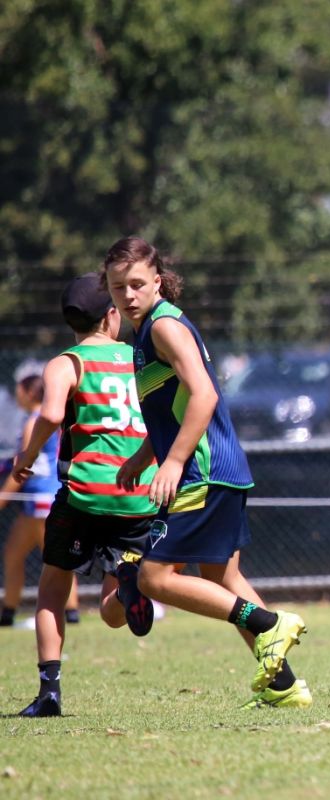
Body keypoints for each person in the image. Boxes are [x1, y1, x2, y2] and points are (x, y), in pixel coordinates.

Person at [103, 237, 311, 709]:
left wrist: (173, 461)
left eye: (137, 283)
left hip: (202, 470)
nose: (128, 294)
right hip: (217, 468)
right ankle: (285, 686)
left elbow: (204, 396)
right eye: (118, 287)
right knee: (222, 577)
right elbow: (172, 406)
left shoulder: (163, 328)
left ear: (157, 281)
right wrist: (145, 453)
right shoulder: (141, 333)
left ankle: (268, 624)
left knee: (154, 579)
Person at [12, 273, 161, 717]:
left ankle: (49, 693)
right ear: (112, 315)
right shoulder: (139, 357)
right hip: (139, 491)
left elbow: (54, 412)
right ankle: (128, 588)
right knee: (112, 612)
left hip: (86, 493)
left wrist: (29, 451)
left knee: (53, 587)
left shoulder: (64, 363)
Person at [0, 362, 80, 627]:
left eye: (18, 391)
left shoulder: (34, 421)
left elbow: (23, 465)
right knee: (24, 554)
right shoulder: (52, 419)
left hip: (39, 500)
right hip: (48, 497)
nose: (16, 395)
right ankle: (69, 614)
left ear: (28, 392)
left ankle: (17, 614)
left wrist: (3, 497)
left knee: (47, 558)